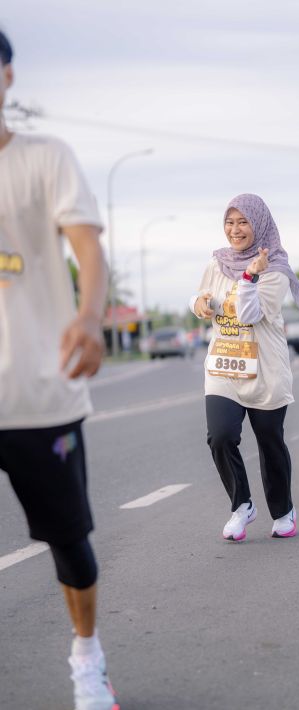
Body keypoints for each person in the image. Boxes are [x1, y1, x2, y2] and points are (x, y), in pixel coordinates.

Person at [0, 31, 118, 710]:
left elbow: (88, 250)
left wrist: (92, 316)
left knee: (70, 545)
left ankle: (87, 658)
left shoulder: (45, 158)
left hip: (41, 394)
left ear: (8, 76)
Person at [190, 193, 299, 541]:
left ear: (259, 224)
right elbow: (200, 296)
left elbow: (249, 314)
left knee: (270, 442)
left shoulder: (275, 269)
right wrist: (198, 303)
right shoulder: (217, 263)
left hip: (265, 371)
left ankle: (283, 510)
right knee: (220, 436)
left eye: (243, 222)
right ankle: (241, 505)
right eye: (229, 222)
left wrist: (249, 278)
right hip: (224, 367)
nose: (235, 229)